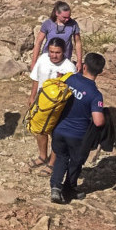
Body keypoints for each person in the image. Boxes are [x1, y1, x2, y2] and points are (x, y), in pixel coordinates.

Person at [49, 52, 106, 204]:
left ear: (84, 66)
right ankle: (69, 189)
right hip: (78, 136)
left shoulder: (69, 78)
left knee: (61, 157)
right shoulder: (95, 95)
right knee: (75, 162)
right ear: (100, 72)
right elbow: (98, 121)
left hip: (59, 130)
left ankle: (55, 187)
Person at [26, 37, 76, 173]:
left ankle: (53, 163)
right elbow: (36, 78)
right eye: (52, 52)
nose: (54, 55)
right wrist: (32, 97)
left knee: (56, 133)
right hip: (41, 102)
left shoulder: (69, 67)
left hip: (58, 107)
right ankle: (43, 156)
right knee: (39, 130)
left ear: (63, 52)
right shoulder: (42, 59)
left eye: (57, 52)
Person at [31, 1, 83, 73]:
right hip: (48, 58)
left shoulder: (73, 24)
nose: (67, 19)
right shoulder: (48, 24)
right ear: (57, 13)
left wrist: (79, 61)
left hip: (65, 59)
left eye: (69, 17)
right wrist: (34, 62)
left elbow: (78, 43)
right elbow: (38, 42)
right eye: (64, 17)